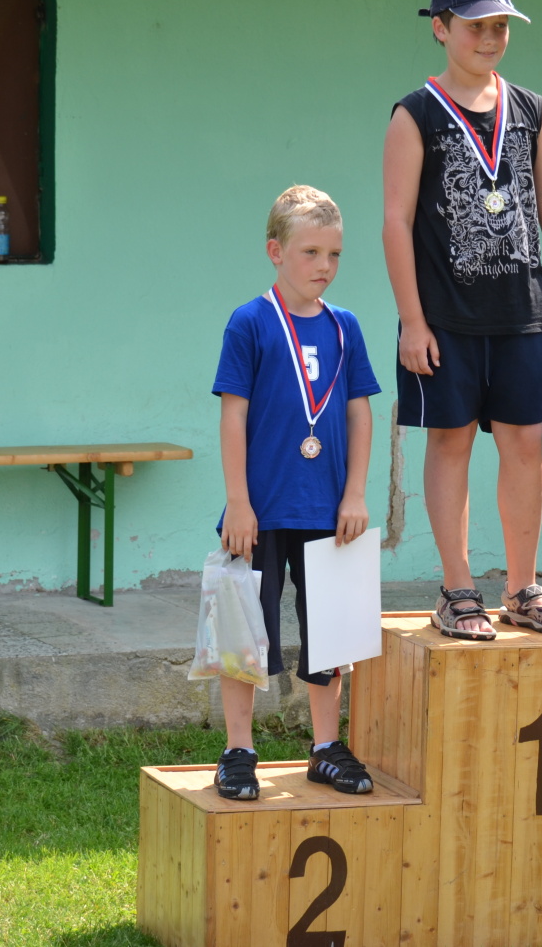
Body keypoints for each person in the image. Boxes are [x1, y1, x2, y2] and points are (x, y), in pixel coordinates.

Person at [382, 0, 542, 640]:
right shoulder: (415, 113)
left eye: (500, 25)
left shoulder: (531, 109)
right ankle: (457, 589)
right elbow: (396, 221)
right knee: (450, 442)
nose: (490, 37)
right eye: (475, 25)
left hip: (524, 312)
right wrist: (412, 321)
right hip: (444, 317)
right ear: (441, 28)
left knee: (524, 442)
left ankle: (522, 587)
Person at [211, 185, 381, 801]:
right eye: (311, 252)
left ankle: (325, 748)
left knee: (331, 633)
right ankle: (238, 751)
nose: (324, 266)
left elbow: (359, 413)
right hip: (259, 512)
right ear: (275, 252)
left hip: (330, 510)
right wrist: (238, 501)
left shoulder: (345, 327)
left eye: (334, 254)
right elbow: (233, 415)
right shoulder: (250, 322)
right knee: (243, 630)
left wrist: (355, 493)